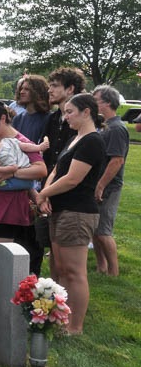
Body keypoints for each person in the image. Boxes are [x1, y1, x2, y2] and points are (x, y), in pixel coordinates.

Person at [37, 93, 106, 335]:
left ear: (86, 112)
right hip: (60, 209)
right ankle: (61, 319)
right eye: (65, 112)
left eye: (70, 112)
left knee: (75, 272)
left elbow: (73, 179)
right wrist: (47, 194)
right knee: (61, 268)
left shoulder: (92, 141)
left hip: (77, 212)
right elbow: (57, 169)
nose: (65, 117)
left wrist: (43, 194)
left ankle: (75, 326)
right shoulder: (75, 138)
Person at [0, 103, 47, 281]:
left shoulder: (20, 141)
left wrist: (12, 172)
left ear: (3, 119)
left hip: (6, 206)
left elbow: (40, 170)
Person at [37, 67, 86, 277]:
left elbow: (70, 168)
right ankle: (55, 292)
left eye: (55, 86)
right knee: (52, 252)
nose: (49, 90)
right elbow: (46, 156)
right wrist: (44, 191)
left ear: (70, 89)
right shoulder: (52, 119)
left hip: (70, 195)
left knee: (70, 266)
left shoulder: (81, 123)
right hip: (48, 189)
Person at [92, 85, 128, 276]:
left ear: (107, 103)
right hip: (98, 186)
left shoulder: (116, 128)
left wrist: (101, 185)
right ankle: (101, 267)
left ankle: (113, 272)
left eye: (95, 100)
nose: (92, 104)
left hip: (109, 187)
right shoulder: (104, 126)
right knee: (95, 230)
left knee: (103, 231)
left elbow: (117, 160)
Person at [11, 75, 50, 144]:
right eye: (21, 89)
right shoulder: (17, 119)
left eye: (27, 89)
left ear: (37, 92)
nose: (21, 92)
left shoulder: (49, 119)